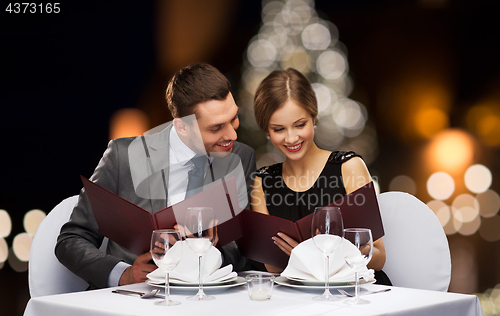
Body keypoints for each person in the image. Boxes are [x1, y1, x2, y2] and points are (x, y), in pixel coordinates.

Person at [56, 63, 256, 289]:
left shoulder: (241, 157)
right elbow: (70, 241)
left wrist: (210, 255)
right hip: (131, 300)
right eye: (216, 127)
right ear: (182, 127)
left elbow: (241, 244)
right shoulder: (124, 157)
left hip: (205, 299)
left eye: (234, 118)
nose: (232, 134)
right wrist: (124, 275)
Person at [251, 68, 391, 285]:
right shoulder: (263, 182)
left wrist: (307, 255)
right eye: (279, 129)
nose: (291, 138)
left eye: (300, 125)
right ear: (267, 132)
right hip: (299, 296)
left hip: (356, 293)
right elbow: (274, 266)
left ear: (313, 118)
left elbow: (378, 256)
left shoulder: (349, 167)